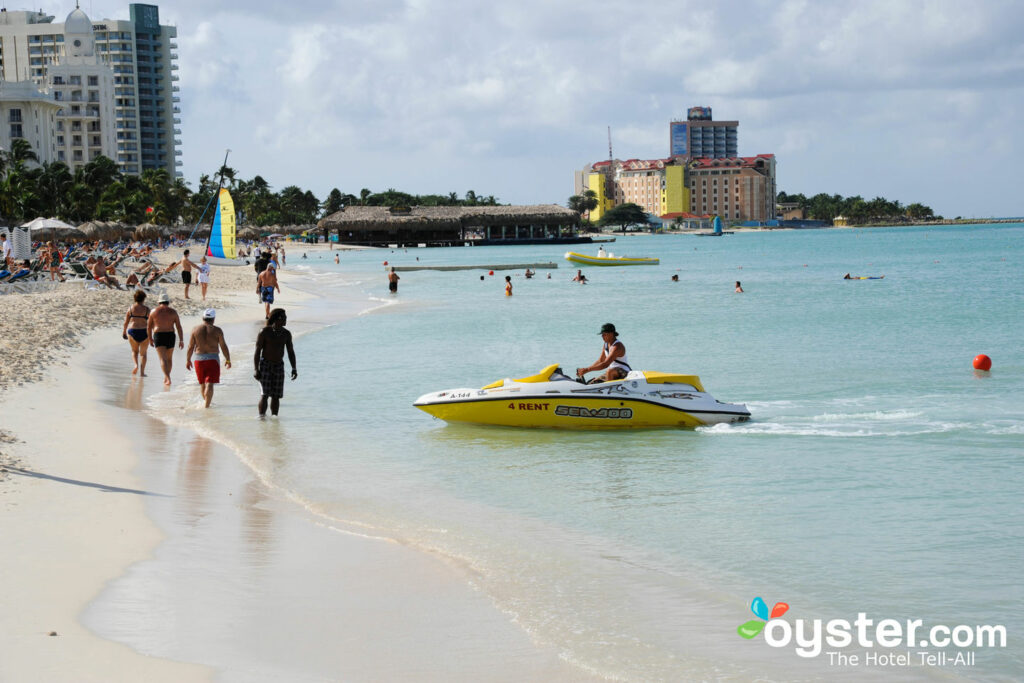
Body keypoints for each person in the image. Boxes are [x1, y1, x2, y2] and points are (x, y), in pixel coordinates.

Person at [254, 308, 297, 417]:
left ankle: (274, 419)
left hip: (279, 366)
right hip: (265, 365)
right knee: (265, 394)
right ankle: (261, 418)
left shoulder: (286, 334)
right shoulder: (264, 332)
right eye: (284, 318)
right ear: (278, 319)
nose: (286, 320)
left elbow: (290, 352)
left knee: (276, 396)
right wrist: (256, 369)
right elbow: (257, 351)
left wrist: (294, 368)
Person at [186, 308, 232, 408]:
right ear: (213, 319)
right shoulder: (217, 330)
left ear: (203, 318)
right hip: (213, 359)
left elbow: (190, 346)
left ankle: (206, 404)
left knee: (202, 384)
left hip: (198, 358)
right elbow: (223, 346)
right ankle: (207, 406)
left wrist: (188, 360)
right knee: (210, 384)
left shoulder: (195, 329)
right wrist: (228, 359)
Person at [147, 292, 184, 386]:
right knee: (169, 359)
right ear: (168, 302)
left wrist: (150, 338)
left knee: (162, 359)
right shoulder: (173, 312)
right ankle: (167, 376)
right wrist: (181, 340)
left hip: (158, 335)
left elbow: (148, 326)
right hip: (170, 335)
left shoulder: (153, 311)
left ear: (159, 302)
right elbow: (179, 326)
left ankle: (167, 377)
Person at [121, 289, 151, 376]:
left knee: (134, 351)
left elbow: (126, 322)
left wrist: (124, 332)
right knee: (143, 353)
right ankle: (142, 372)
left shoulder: (130, 308)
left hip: (132, 330)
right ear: (143, 299)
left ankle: (135, 365)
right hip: (144, 331)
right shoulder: (147, 309)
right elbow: (151, 322)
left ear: (135, 298)